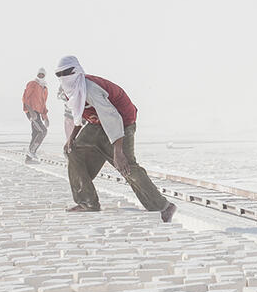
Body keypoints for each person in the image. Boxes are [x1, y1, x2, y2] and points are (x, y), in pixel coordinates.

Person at [54, 55, 177, 223]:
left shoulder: (90, 88)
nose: (64, 77)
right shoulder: (71, 91)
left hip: (122, 123)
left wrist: (118, 152)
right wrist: (72, 138)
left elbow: (113, 118)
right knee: (73, 150)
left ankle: (163, 207)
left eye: (68, 72)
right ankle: (87, 202)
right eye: (59, 74)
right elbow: (78, 113)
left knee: (126, 166)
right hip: (97, 124)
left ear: (77, 70)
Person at [22, 68, 50, 163]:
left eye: (42, 74)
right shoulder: (32, 84)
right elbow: (25, 98)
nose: (41, 76)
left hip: (38, 112)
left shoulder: (44, 88)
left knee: (36, 133)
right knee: (43, 131)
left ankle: (29, 159)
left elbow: (43, 104)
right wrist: (31, 112)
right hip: (31, 112)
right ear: (37, 74)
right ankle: (32, 152)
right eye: (39, 74)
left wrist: (45, 118)